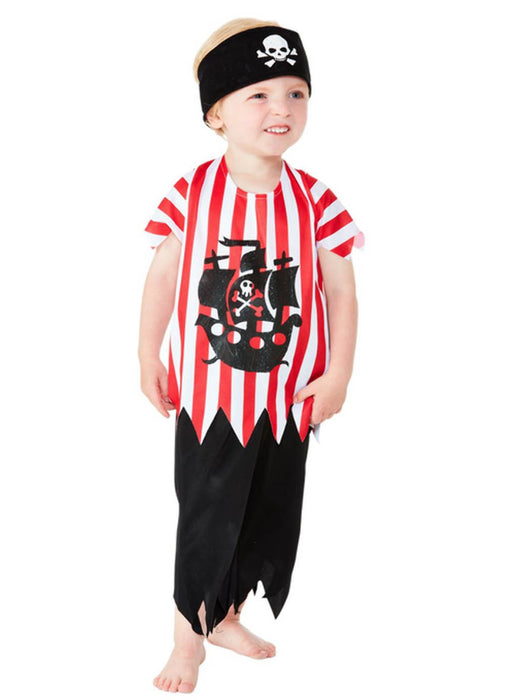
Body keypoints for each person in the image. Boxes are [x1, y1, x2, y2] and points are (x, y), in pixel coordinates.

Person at [138, 17, 365, 694]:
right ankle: (187, 640)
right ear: (216, 113)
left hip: (289, 399)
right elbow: (161, 279)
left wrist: (339, 373)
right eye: (258, 95)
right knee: (205, 516)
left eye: (295, 93)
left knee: (266, 512)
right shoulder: (191, 194)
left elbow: (340, 291)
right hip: (210, 400)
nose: (280, 108)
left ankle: (226, 614)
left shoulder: (316, 200)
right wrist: (147, 356)